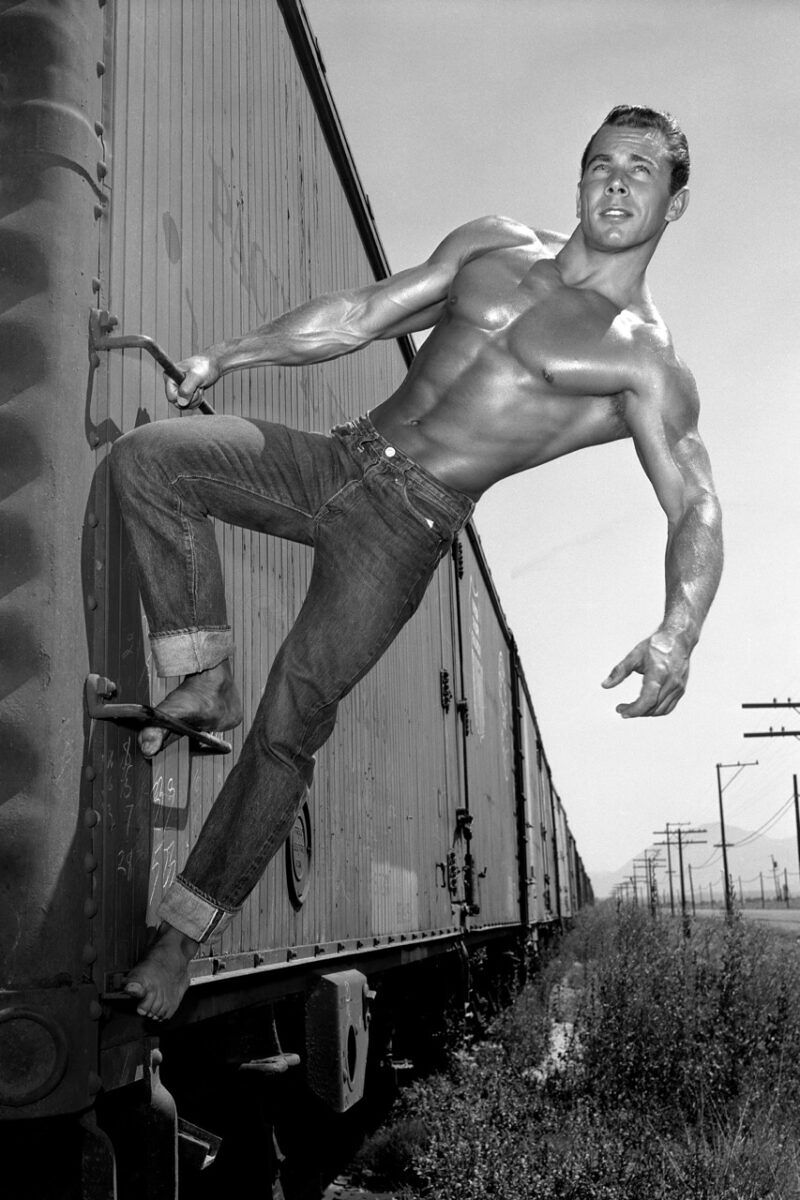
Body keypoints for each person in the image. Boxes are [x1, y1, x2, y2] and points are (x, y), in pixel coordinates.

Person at [110, 105, 723, 1020]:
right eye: (601, 163)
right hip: (340, 459)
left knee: (294, 715)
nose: (617, 181)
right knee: (152, 459)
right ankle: (197, 682)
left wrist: (678, 631)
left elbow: (695, 504)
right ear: (580, 176)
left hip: (407, 527)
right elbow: (358, 317)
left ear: (674, 204)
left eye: (641, 169)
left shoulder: (644, 364)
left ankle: (178, 941)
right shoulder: (494, 247)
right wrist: (228, 354)